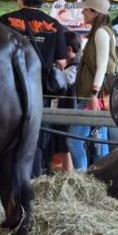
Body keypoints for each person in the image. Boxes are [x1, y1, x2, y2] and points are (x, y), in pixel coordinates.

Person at [0, 0, 67, 177]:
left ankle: (8, 176)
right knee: (36, 136)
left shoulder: (6, 21)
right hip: (40, 90)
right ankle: (33, 177)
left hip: (10, 90)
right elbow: (61, 62)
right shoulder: (54, 25)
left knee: (9, 135)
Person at [67, 0, 117, 171]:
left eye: (86, 9)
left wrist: (94, 94)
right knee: (99, 142)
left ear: (95, 12)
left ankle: (81, 177)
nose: (83, 12)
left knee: (73, 140)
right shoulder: (102, 31)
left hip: (93, 95)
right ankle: (102, 179)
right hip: (98, 95)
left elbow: (102, 66)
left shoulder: (101, 32)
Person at [51, 31, 81, 172]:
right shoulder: (74, 66)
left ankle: (69, 174)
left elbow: (61, 82)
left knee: (66, 144)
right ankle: (67, 173)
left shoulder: (73, 68)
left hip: (68, 112)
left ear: (68, 49)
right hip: (66, 111)